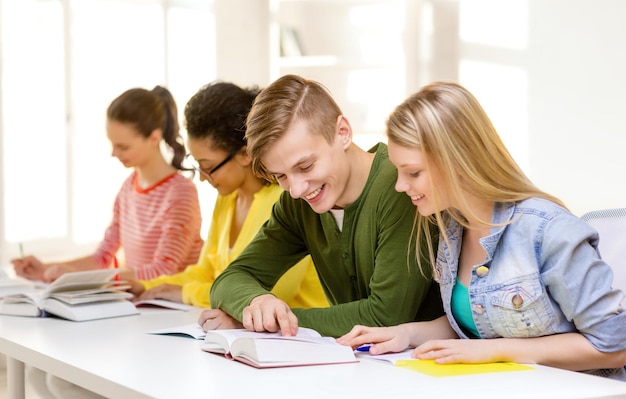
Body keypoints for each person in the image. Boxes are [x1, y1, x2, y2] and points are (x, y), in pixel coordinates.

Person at [337, 82, 626, 380]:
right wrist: (406, 333)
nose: (400, 185)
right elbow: (479, 319)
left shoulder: (548, 229)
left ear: (457, 163)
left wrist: (494, 351)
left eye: (413, 173)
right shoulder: (451, 228)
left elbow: (615, 346)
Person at [204, 74, 443, 338]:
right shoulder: (298, 203)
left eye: (305, 166)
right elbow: (230, 279)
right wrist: (258, 304)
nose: (296, 190)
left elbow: (385, 316)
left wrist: (277, 321)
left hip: (426, 368)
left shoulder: (401, 187)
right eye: (280, 176)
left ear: (342, 133)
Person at [129, 81, 328, 313]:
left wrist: (185, 293)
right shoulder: (228, 198)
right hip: (249, 334)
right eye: (198, 165)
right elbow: (206, 270)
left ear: (245, 154)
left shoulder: (287, 200)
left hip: (303, 337)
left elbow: (268, 291)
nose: (203, 178)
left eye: (209, 167)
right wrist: (146, 287)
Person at [11, 86, 203, 283]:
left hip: (172, 308)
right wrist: (46, 269)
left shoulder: (180, 193)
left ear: (154, 138)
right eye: (112, 144)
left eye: (123, 146)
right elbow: (103, 257)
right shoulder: (128, 188)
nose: (113, 153)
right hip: (142, 305)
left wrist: (81, 276)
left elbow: (162, 272)